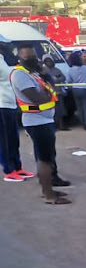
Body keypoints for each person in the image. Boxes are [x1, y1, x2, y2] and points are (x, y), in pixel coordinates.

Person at [10, 44, 71, 204]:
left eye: (33, 57)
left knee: (49, 157)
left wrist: (44, 76)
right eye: (27, 58)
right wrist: (46, 92)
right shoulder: (20, 75)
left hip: (45, 120)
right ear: (20, 59)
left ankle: (49, 188)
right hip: (36, 122)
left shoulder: (34, 74)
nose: (32, 60)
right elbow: (39, 98)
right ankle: (49, 195)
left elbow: (50, 88)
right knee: (44, 159)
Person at [0, 35, 33, 182]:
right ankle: (9, 170)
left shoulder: (3, 60)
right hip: (1, 105)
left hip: (10, 104)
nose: (7, 47)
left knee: (13, 139)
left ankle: (18, 167)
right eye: (4, 44)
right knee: (4, 140)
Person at [66, 51, 86, 130]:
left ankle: (83, 123)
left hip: (75, 89)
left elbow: (69, 80)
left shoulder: (71, 69)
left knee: (79, 108)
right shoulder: (85, 68)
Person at [42, 54, 69, 131]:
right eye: (47, 61)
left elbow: (63, 77)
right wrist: (54, 79)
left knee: (60, 109)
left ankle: (61, 125)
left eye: (50, 60)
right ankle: (53, 126)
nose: (49, 62)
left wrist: (55, 79)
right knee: (51, 110)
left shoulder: (56, 70)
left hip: (58, 92)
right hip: (48, 94)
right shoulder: (43, 71)